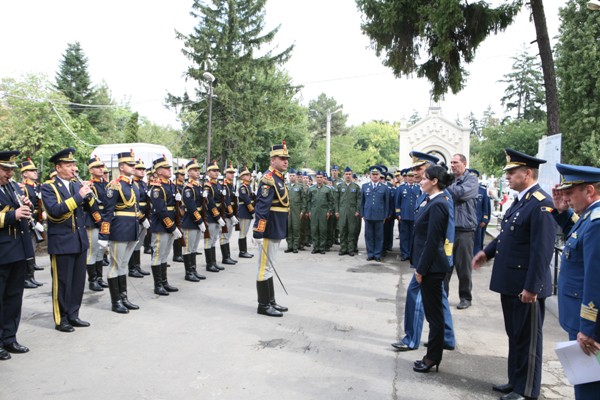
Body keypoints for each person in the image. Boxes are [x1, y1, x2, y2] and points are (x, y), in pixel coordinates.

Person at [472, 148, 556, 400]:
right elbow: (507, 235)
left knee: (529, 341)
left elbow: (542, 252)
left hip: (525, 286)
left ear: (527, 173)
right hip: (511, 283)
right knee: (516, 336)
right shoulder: (521, 201)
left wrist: (532, 287)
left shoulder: (542, 204)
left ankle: (527, 390)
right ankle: (515, 381)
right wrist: (487, 252)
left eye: (512, 172)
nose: (507, 177)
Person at [392, 151, 456, 353]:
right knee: (439, 298)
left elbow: (446, 231)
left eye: (420, 169)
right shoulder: (426, 193)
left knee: (416, 294)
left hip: (432, 259)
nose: (416, 173)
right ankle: (446, 337)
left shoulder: (442, 197)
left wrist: (443, 256)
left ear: (431, 171)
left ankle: (411, 339)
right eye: (415, 169)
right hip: (429, 256)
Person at [551, 163, 600, 400]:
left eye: (570, 193)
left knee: (589, 387)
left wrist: (588, 329)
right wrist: (561, 211)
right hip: (580, 319)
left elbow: (595, 279)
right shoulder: (590, 217)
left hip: (588, 324)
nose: (566, 198)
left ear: (589, 191)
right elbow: (576, 236)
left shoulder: (597, 223)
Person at [42, 148, 96, 332]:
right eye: (69, 165)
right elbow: (55, 211)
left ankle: (74, 314)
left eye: (74, 164)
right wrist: (79, 196)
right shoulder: (48, 187)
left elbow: (91, 209)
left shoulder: (75, 185)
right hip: (62, 242)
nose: (73, 168)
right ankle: (61, 318)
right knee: (62, 282)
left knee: (78, 281)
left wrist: (88, 195)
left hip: (79, 240)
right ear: (58, 167)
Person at [411, 164, 455, 373]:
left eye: (425, 178)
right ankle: (432, 356)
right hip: (429, 265)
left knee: (434, 316)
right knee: (433, 313)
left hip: (432, 267)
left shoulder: (439, 203)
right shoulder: (433, 200)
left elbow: (432, 241)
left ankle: (432, 358)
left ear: (435, 181)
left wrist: (421, 269)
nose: (421, 181)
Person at [0, 150, 35, 360]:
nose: (9, 174)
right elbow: (11, 214)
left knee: (14, 297)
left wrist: (26, 205)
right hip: (2, 250)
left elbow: (18, 208)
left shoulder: (12, 186)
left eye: (11, 170)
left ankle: (9, 338)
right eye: (5, 169)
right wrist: (13, 214)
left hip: (17, 249)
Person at [99, 151, 141, 313]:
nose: (133, 167)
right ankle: (116, 302)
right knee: (115, 266)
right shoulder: (114, 186)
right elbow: (107, 213)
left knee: (123, 265)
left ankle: (123, 297)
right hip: (119, 230)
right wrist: (104, 235)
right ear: (121, 167)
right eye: (130, 165)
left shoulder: (133, 185)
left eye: (133, 165)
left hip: (132, 229)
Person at [253, 142, 290, 317]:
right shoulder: (268, 179)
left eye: (286, 158)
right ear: (273, 159)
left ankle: (271, 301)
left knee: (270, 266)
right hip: (268, 230)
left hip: (277, 229)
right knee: (264, 268)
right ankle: (263, 305)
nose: (285, 161)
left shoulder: (279, 178)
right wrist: (258, 232)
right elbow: (262, 207)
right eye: (282, 158)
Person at [445, 154, 478, 310]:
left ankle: (465, 297)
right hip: (448, 229)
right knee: (445, 265)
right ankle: (442, 296)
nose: (452, 165)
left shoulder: (471, 180)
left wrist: (446, 186)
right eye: (451, 162)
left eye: (455, 162)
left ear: (464, 164)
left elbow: (461, 194)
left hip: (464, 230)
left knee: (463, 267)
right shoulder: (449, 179)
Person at [148, 156, 181, 296]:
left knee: (165, 255)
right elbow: (161, 210)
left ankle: (164, 282)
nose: (169, 170)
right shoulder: (157, 188)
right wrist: (172, 227)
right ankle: (158, 285)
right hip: (161, 226)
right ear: (159, 171)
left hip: (171, 223)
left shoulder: (171, 185)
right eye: (166, 168)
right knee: (157, 255)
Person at [18, 158, 45, 289]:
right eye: (31, 171)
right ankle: (26, 277)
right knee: (27, 249)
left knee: (32, 248)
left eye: (35, 170)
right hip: (28, 220)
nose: (35, 172)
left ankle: (31, 276)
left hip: (35, 220)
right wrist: (32, 221)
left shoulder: (36, 187)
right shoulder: (24, 188)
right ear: (24, 174)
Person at [180, 159, 206, 282]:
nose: (197, 172)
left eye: (198, 170)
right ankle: (188, 272)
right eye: (195, 170)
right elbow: (191, 207)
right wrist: (200, 221)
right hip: (190, 222)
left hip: (196, 221)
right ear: (189, 172)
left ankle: (193, 270)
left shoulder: (198, 186)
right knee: (188, 249)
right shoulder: (188, 188)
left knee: (194, 248)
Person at [84, 155, 108, 292]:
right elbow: (92, 207)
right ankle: (92, 280)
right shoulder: (90, 186)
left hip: (105, 221)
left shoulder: (106, 184)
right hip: (94, 222)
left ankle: (99, 278)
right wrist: (100, 222)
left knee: (101, 251)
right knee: (92, 252)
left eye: (101, 166)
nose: (100, 169)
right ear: (90, 170)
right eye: (97, 167)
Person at [360, 166, 389, 262]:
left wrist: (385, 215)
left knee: (379, 236)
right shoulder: (365, 186)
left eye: (377, 174)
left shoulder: (384, 187)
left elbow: (386, 203)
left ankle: (377, 254)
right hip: (368, 214)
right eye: (373, 174)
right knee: (368, 236)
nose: (375, 176)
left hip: (379, 215)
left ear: (379, 176)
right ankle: (370, 254)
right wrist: (362, 214)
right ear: (370, 176)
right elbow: (362, 202)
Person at [128, 159, 151, 278]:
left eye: (143, 169)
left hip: (145, 216)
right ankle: (131, 268)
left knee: (139, 243)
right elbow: (133, 204)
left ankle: (137, 266)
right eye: (139, 169)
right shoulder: (132, 184)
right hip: (136, 216)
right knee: (134, 243)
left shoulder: (143, 184)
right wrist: (142, 218)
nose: (142, 171)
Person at [203, 161, 226, 273]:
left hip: (218, 215)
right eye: (213, 171)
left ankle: (214, 262)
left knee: (214, 240)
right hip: (211, 216)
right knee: (209, 240)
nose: (216, 172)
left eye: (217, 170)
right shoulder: (207, 186)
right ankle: (209, 264)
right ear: (208, 172)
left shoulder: (218, 185)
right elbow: (210, 203)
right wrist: (217, 217)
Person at [396, 169, 420, 261]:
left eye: (412, 176)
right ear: (406, 177)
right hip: (404, 215)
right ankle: (404, 253)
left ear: (414, 177)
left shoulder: (418, 188)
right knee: (404, 236)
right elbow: (397, 202)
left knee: (413, 236)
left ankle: (411, 253)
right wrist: (398, 213)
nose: (410, 178)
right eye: (409, 176)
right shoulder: (401, 188)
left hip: (414, 216)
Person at [336, 166, 361, 256]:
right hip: (342, 210)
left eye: (349, 174)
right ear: (344, 175)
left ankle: (350, 249)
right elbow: (336, 200)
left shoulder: (356, 187)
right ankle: (343, 248)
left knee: (351, 230)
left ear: (352, 175)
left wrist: (357, 210)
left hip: (352, 210)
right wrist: (336, 211)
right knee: (342, 229)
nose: (348, 176)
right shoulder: (339, 186)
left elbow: (359, 200)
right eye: (346, 174)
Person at [307, 171, 334, 254]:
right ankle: (315, 247)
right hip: (314, 211)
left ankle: (322, 247)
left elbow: (331, 201)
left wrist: (329, 211)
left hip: (323, 211)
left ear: (323, 178)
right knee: (314, 229)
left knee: (323, 229)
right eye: (318, 177)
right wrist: (309, 211)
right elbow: (308, 201)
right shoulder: (311, 189)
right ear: (316, 178)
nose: (319, 179)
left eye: (320, 177)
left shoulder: (327, 189)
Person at [219, 163, 239, 265]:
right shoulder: (224, 185)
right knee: (224, 236)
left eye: (233, 173)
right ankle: (225, 257)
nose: (232, 175)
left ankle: (228, 256)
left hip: (231, 213)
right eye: (230, 173)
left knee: (228, 236)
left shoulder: (231, 185)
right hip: (226, 214)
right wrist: (231, 215)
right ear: (225, 173)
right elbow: (226, 202)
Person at [471, 169, 491, 255]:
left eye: (474, 177)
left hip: (478, 220)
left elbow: (485, 206)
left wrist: (484, 219)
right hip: (467, 220)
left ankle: (476, 256)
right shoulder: (465, 189)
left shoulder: (482, 190)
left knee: (477, 241)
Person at [285, 168, 305, 253]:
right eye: (290, 176)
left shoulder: (300, 187)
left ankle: (295, 247)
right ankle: (289, 246)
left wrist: (303, 210)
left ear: (296, 176)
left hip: (297, 210)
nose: (292, 177)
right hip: (288, 210)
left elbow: (304, 199)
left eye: (293, 176)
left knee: (296, 228)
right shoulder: (286, 186)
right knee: (288, 228)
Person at [236, 166, 255, 258]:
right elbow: (247, 200)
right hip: (244, 212)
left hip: (247, 213)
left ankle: (244, 251)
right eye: (247, 175)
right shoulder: (242, 187)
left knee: (245, 232)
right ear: (242, 177)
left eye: (249, 175)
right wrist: (253, 211)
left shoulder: (248, 186)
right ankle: (242, 252)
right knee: (243, 233)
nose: (249, 176)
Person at [171, 166, 186, 263]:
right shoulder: (174, 186)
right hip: (177, 211)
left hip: (183, 210)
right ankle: (177, 254)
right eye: (182, 174)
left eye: (184, 174)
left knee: (182, 233)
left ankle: (180, 253)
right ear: (177, 175)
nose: (183, 176)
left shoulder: (183, 186)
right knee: (178, 233)